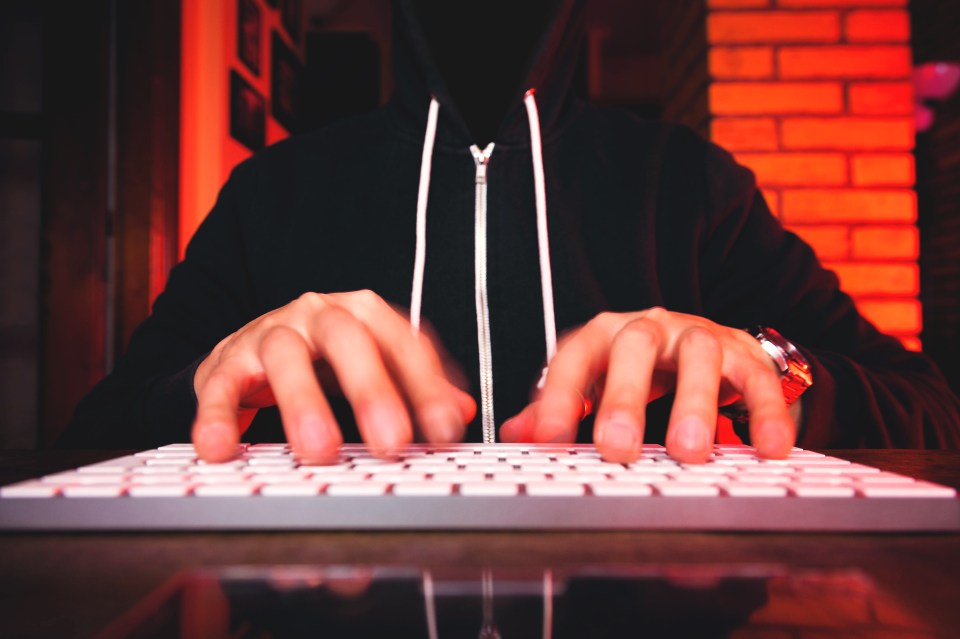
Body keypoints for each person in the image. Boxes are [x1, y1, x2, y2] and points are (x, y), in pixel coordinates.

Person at [60, 0, 960, 463]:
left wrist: (767, 370)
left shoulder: (691, 184)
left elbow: (929, 407)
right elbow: (90, 435)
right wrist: (211, 380)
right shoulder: (270, 193)